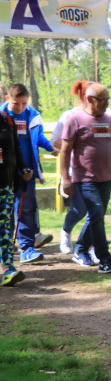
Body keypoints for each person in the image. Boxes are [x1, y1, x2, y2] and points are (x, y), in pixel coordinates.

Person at [59, 83, 111, 274]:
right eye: (101, 100)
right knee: (96, 213)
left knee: (97, 215)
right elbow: (64, 151)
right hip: (84, 178)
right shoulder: (75, 120)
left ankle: (80, 250)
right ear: (89, 99)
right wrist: (65, 178)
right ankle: (104, 258)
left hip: (107, 177)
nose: (105, 103)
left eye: (107, 99)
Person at [0, 84, 55, 263]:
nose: (20, 107)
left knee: (26, 209)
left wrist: (51, 148)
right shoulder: (2, 116)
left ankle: (26, 248)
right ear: (8, 99)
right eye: (17, 104)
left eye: (24, 103)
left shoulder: (32, 115)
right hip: (5, 171)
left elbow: (38, 138)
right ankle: (6, 248)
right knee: (5, 211)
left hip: (27, 170)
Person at [52, 80, 94, 258]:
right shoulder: (68, 116)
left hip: (97, 173)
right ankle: (66, 233)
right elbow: (55, 141)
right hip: (74, 172)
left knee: (95, 211)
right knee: (79, 210)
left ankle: (89, 246)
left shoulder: (102, 116)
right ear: (85, 97)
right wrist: (72, 143)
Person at [1, 103, 30, 286]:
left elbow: (15, 147)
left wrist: (23, 167)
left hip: (5, 184)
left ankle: (7, 268)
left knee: (4, 226)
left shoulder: (6, 119)